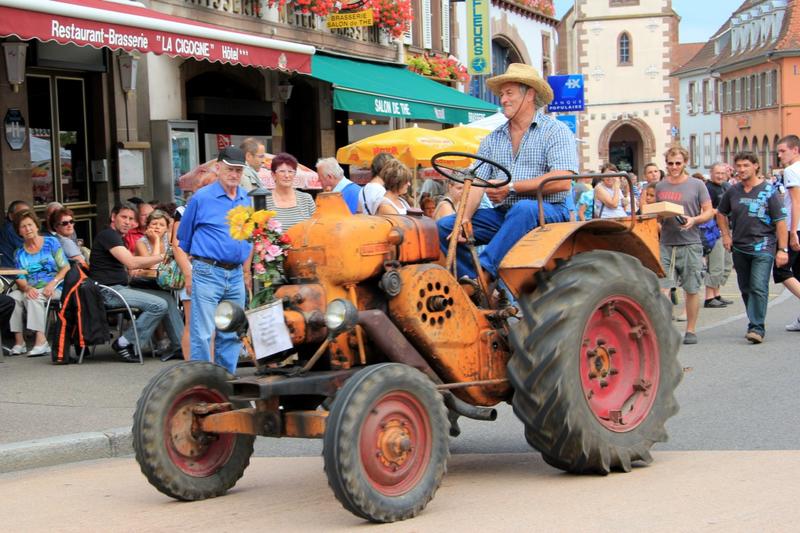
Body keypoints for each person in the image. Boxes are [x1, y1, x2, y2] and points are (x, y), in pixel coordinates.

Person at [437, 63, 578, 283]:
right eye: (502, 94)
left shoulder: (555, 130)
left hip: (548, 212)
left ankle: (483, 277)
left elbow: (563, 181)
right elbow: (476, 182)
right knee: (446, 226)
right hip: (505, 214)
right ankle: (473, 286)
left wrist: (510, 187)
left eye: (509, 93)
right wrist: (463, 220)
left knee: (523, 208)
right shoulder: (493, 138)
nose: (503, 99)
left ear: (530, 94)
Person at [177, 146, 253, 374]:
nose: (235, 175)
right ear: (218, 168)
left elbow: (249, 236)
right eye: (231, 169)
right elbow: (184, 237)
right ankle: (201, 384)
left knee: (231, 331)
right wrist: (198, 265)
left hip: (236, 272)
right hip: (208, 270)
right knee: (203, 331)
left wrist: (246, 271)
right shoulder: (201, 198)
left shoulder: (244, 198)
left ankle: (224, 382)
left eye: (239, 171)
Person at [90, 203, 183, 363]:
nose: (127, 222)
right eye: (123, 217)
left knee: (167, 298)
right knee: (158, 305)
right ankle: (124, 343)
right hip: (108, 291)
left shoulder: (118, 238)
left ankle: (180, 346)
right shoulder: (108, 235)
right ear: (113, 217)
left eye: (131, 219)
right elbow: (131, 262)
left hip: (121, 287)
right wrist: (166, 256)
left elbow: (131, 266)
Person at [717, 151, 788, 344]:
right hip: (739, 247)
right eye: (738, 166)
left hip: (763, 246)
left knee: (758, 286)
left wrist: (783, 250)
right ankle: (754, 320)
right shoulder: (733, 191)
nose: (741, 169)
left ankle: (757, 327)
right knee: (746, 288)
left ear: (756, 166)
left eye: (746, 165)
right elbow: (721, 213)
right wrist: (725, 235)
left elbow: (780, 222)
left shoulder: (769, 191)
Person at [654, 146, 714, 345]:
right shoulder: (660, 186)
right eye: (670, 164)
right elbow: (656, 213)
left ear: (684, 163)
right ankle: (665, 330)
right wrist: (657, 218)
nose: (674, 167)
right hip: (667, 242)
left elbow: (708, 211)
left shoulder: (696, 185)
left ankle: (691, 329)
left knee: (691, 288)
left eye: (678, 163)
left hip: (690, 242)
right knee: (663, 288)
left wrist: (694, 220)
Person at [8, 210, 70, 356]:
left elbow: (65, 267)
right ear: (19, 231)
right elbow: (19, 277)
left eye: (30, 225)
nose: (28, 229)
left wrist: (52, 283)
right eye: (23, 227)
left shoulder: (51, 242)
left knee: (34, 297)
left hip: (54, 287)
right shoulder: (19, 253)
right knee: (12, 298)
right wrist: (27, 287)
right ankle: (19, 342)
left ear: (36, 226)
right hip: (30, 287)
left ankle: (41, 341)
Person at [703, 163, 734, 308]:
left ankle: (716, 293)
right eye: (717, 173)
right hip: (713, 230)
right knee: (715, 264)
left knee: (725, 264)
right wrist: (719, 212)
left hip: (726, 229)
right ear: (711, 173)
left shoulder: (726, 187)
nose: (720, 176)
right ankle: (709, 297)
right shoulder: (707, 188)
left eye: (723, 173)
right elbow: (704, 210)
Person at [265, 152, 316, 230]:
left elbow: (316, 227)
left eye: (290, 171)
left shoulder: (306, 199)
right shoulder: (265, 200)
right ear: (273, 175)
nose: (287, 175)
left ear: (295, 174)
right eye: (282, 171)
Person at [0, 200, 30, 268]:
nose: (26, 217)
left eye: (28, 214)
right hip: (12, 273)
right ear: (11, 216)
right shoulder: (11, 229)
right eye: (21, 214)